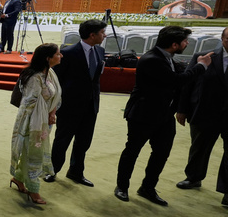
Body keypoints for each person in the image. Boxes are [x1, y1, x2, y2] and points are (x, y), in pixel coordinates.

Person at [115, 26, 211, 205]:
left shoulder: (168, 58)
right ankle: (122, 187)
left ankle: (148, 188)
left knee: (161, 153)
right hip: (143, 115)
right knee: (132, 151)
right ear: (174, 44)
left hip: (165, 116)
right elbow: (176, 81)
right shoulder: (152, 59)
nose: (187, 44)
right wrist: (201, 66)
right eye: (184, 41)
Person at [44, 19, 106, 186]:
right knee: (62, 140)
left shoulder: (100, 51)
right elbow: (56, 80)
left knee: (84, 141)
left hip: (91, 105)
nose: (104, 35)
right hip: (70, 106)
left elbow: (95, 79)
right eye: (101, 32)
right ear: (92, 35)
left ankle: (76, 172)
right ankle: (52, 170)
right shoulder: (69, 52)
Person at [175, 27, 228, 206]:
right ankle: (194, 178)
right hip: (205, 111)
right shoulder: (205, 56)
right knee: (199, 147)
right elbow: (187, 84)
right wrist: (182, 109)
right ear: (222, 39)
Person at [9, 44, 64, 206]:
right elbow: (29, 105)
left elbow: (56, 95)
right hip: (33, 123)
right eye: (58, 54)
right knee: (34, 154)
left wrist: (51, 113)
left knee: (30, 153)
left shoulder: (50, 73)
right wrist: (44, 118)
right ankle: (34, 190)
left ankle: (18, 178)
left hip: (44, 120)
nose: (61, 56)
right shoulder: (35, 78)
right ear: (48, 58)